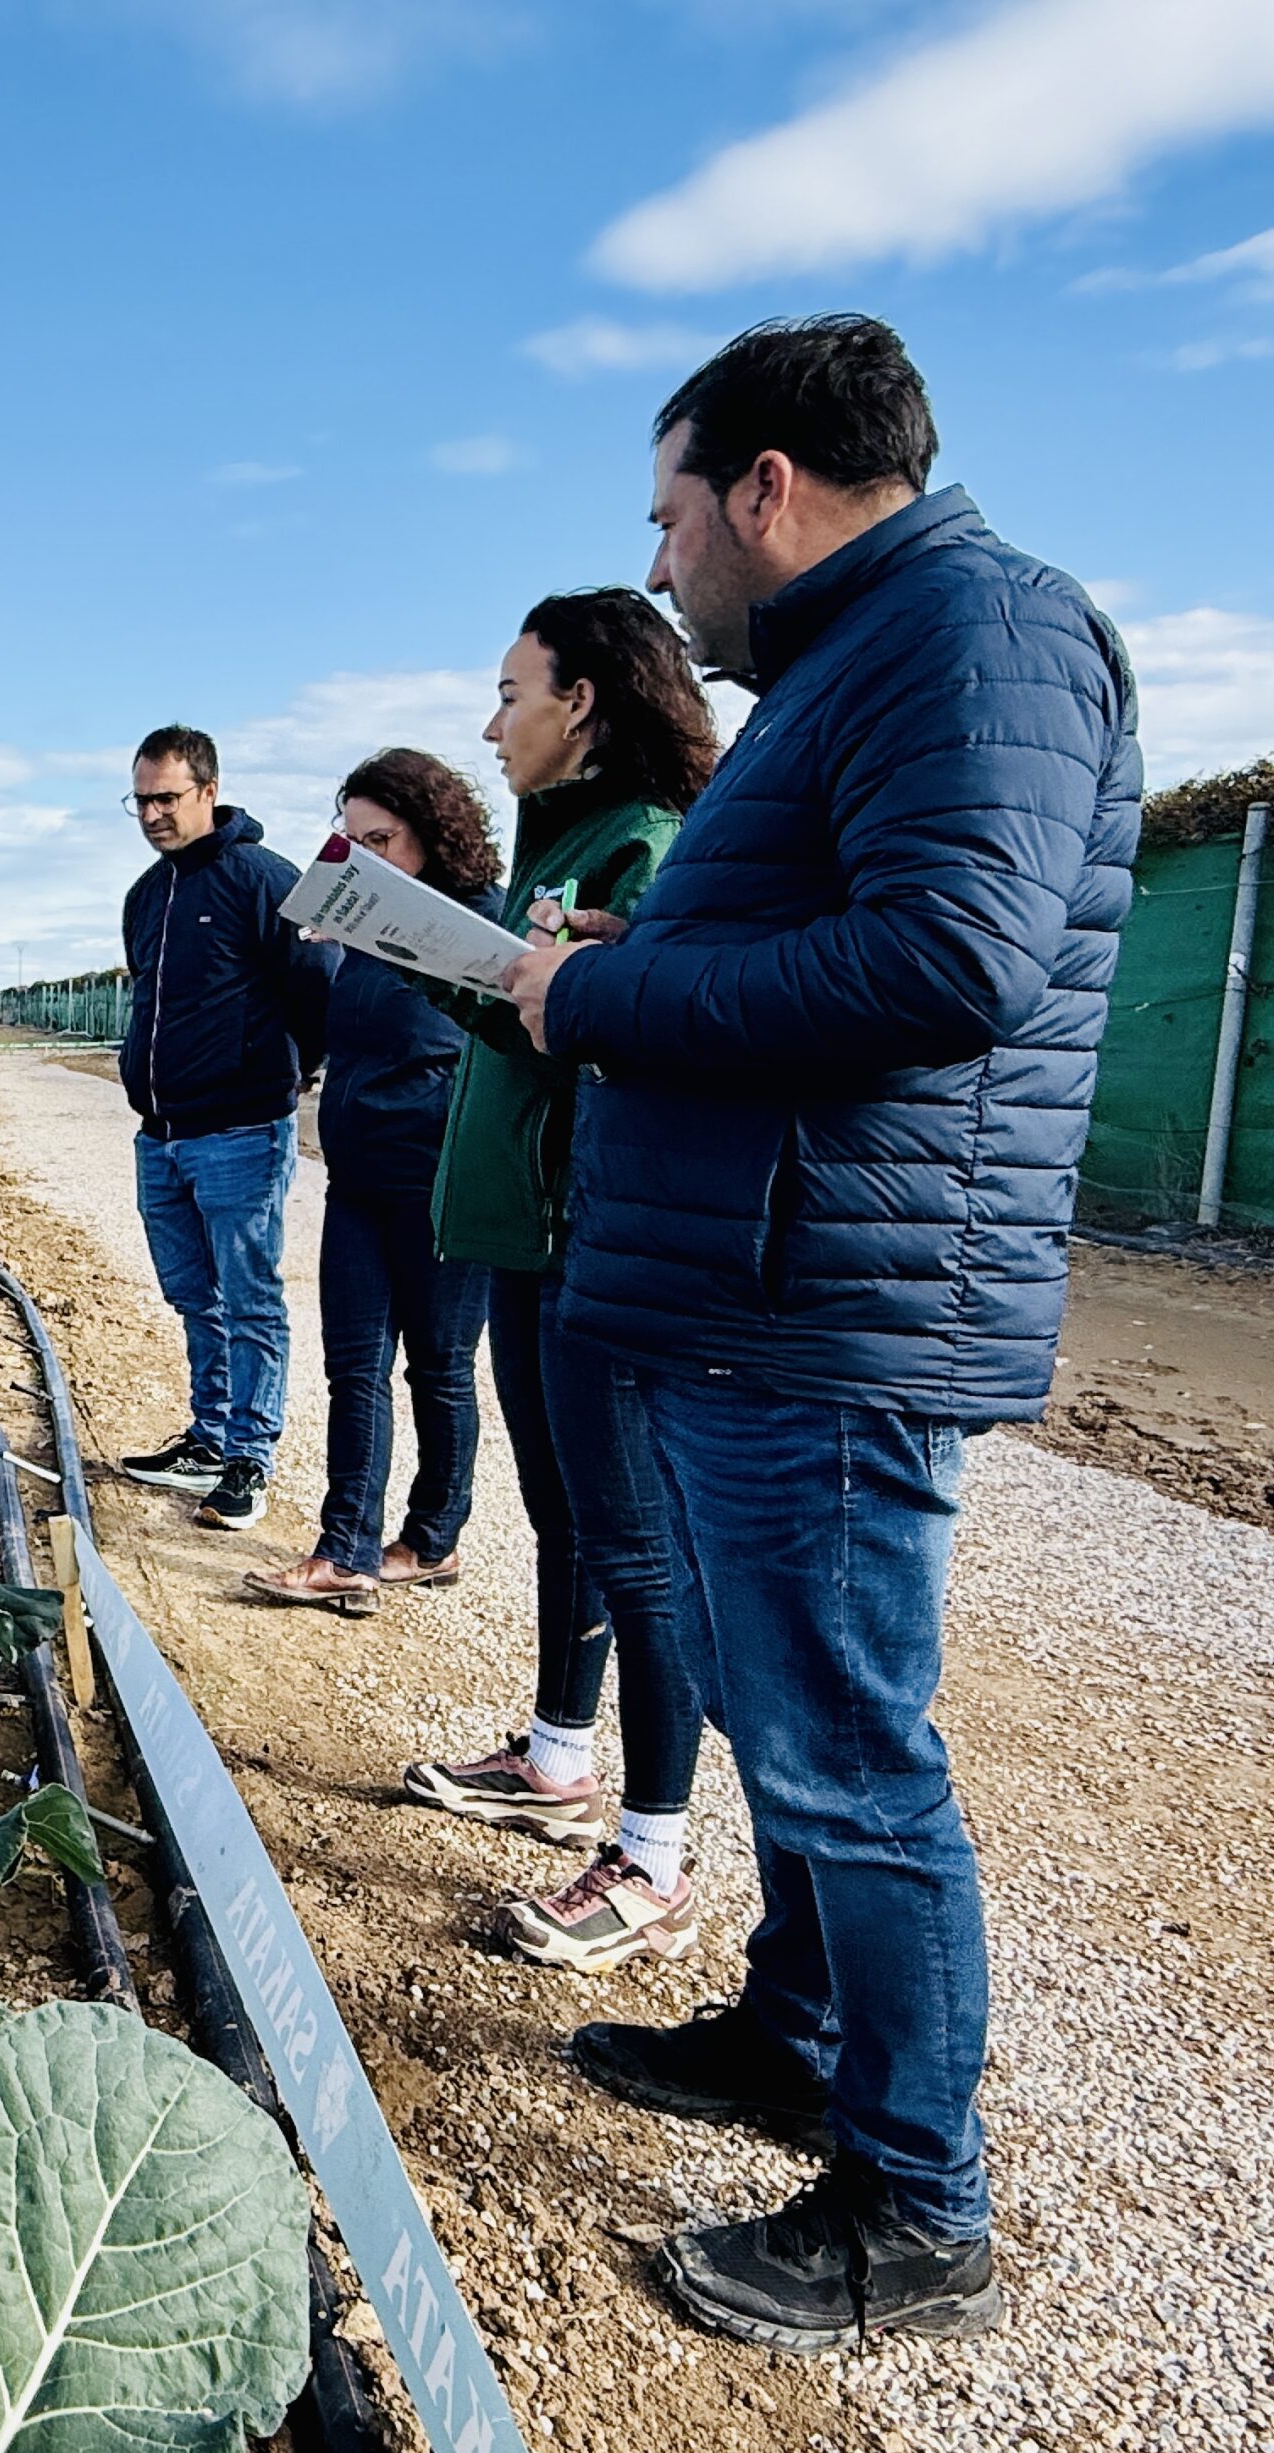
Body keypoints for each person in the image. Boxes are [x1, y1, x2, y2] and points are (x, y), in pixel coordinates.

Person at [503, 316, 1141, 2352]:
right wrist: (642, 948)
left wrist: (593, 1003)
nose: (666, 567)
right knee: (792, 1725)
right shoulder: (865, 660)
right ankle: (794, 2035)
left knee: (853, 1755)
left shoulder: (980, 638)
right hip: (764, 1284)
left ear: (764, 488)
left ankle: (913, 2199)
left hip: (836, 1307)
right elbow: (824, 924)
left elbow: (947, 957)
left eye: (672, 517)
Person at [398, 592, 721, 1980]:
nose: (491, 722)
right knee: (568, 1518)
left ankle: (654, 1853)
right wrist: (429, 951)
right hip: (530, 1231)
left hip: (588, 1229)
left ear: (581, 701)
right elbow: (530, 1020)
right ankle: (556, 1759)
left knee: (631, 1540)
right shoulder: (568, 840)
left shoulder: (645, 846)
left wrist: (579, 973)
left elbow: (634, 1031)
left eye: (511, 691)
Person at [242, 751, 500, 1616]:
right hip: (354, 1181)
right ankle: (345, 1548)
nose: (366, 856)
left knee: (438, 1368)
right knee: (354, 1367)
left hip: (439, 1186)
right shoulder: (361, 936)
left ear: (433, 833)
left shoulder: (480, 927)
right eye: (350, 841)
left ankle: (432, 1539)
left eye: (380, 838)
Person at [115, 724, 334, 1533]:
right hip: (159, 1133)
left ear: (208, 791)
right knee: (191, 1296)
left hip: (241, 1128)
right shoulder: (145, 894)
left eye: (166, 798)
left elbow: (316, 987)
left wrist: (283, 1075)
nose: (151, 814)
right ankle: (208, 1436)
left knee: (247, 1296)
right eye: (139, 800)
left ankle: (251, 1454)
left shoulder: (266, 880)